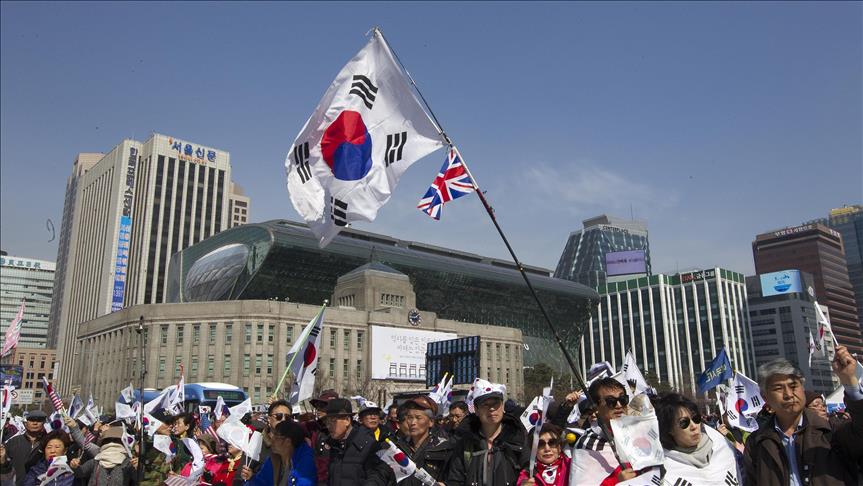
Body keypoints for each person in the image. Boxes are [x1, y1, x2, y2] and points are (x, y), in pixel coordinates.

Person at [744, 345, 863, 486]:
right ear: (765, 398)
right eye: (778, 388)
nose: (788, 394)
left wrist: (850, 382)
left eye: (793, 386)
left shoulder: (831, 430)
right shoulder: (757, 442)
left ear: (803, 388)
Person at [447, 379, 529, 486]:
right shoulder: (465, 442)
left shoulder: (517, 438)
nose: (492, 409)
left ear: (502, 406)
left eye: (496, 403)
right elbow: (455, 480)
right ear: (476, 410)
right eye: (485, 404)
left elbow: (529, 470)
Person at [655, 393, 740, 486]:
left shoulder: (723, 447)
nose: (694, 426)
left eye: (696, 418)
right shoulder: (664, 472)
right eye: (684, 422)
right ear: (669, 429)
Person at [571, 377, 634, 485]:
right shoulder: (588, 444)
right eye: (611, 401)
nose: (619, 405)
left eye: (623, 399)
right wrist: (618, 482)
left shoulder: (640, 433)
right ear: (596, 407)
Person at [315, 398, 390, 485]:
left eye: (332, 421)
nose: (328, 426)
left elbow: (379, 475)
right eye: (327, 422)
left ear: (347, 420)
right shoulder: (332, 445)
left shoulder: (368, 444)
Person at [390, 396, 453, 484]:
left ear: (431, 422)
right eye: (410, 417)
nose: (413, 423)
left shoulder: (444, 448)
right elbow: (382, 475)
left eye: (418, 418)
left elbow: (454, 479)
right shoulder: (397, 447)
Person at [241, 420, 316, 486]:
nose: (272, 439)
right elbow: (263, 482)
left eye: (276, 437)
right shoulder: (273, 459)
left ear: (288, 442)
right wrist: (251, 478)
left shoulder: (306, 461)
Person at [71, 425, 136, 485]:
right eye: (108, 440)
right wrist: (75, 466)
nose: (111, 443)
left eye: (116, 440)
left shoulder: (128, 463)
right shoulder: (96, 461)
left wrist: (138, 468)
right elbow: (80, 473)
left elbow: (137, 479)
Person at [0, 409, 48, 485]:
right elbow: (4, 467)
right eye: (31, 420)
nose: (35, 423)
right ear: (26, 423)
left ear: (43, 423)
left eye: (39, 421)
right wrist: (2, 460)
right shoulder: (13, 442)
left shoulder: (48, 442)